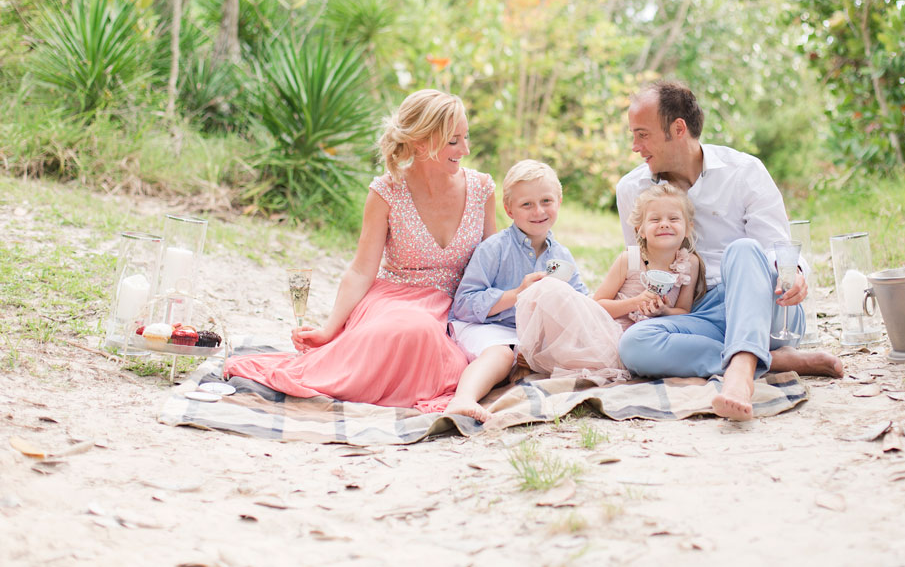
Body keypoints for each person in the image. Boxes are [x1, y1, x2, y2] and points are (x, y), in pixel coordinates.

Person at [223, 89, 496, 412]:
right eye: (454, 141)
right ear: (422, 143)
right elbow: (361, 270)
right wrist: (329, 329)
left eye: (466, 138)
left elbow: (493, 264)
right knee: (413, 329)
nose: (465, 149)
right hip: (393, 301)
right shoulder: (387, 191)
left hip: (454, 309)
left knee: (439, 343)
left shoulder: (481, 189)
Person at [616, 80, 843, 421]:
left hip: (767, 307)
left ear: (678, 129)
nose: (635, 146)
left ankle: (739, 375)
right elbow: (641, 265)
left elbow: (776, 250)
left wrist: (793, 274)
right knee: (634, 345)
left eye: (642, 134)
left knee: (744, 249)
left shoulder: (745, 172)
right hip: (696, 313)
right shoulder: (632, 189)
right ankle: (768, 359)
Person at [514, 183, 702, 384]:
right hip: (607, 334)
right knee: (552, 290)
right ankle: (537, 353)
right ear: (641, 230)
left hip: (646, 341)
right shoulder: (629, 259)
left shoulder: (690, 263)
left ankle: (547, 357)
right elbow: (598, 305)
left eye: (673, 219)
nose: (664, 224)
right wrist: (635, 303)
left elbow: (684, 311)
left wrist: (663, 312)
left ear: (688, 228)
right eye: (655, 219)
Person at [445, 160, 587, 422]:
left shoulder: (561, 256)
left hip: (526, 333)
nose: (538, 211)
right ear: (509, 209)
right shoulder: (494, 248)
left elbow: (581, 302)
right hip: (487, 327)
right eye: (526, 204)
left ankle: (523, 365)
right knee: (502, 353)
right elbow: (463, 304)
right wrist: (516, 293)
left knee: (572, 348)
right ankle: (463, 398)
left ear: (559, 201)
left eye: (546, 201)